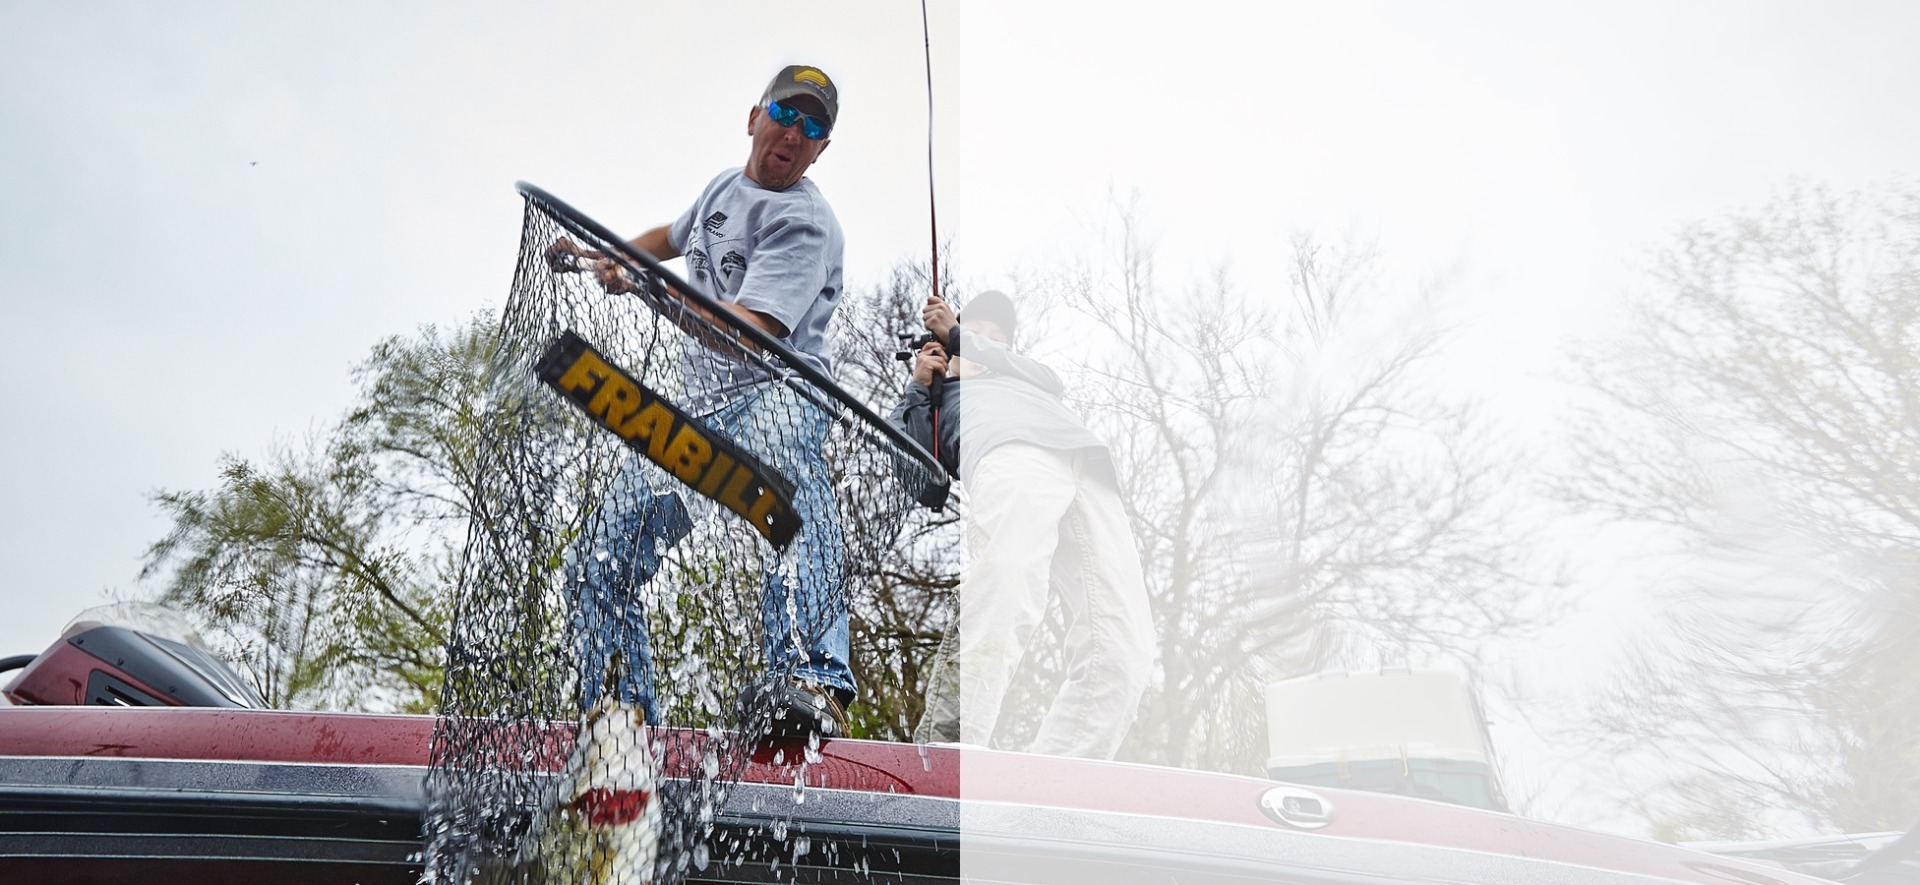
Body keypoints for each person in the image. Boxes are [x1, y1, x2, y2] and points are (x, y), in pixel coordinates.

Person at [554, 64, 852, 738]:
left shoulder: (804, 223)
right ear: (755, 116)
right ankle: (623, 716)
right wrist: (608, 252)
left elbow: (749, 333)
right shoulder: (724, 186)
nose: (794, 133)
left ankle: (813, 676)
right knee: (601, 558)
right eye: (786, 113)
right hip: (699, 414)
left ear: (821, 150)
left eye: (814, 128)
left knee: (785, 482)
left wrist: (649, 288)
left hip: (781, 390)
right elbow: (674, 233)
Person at [889, 291, 1155, 759]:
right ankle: (948, 751)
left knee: (1124, 640)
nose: (984, 348)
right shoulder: (940, 397)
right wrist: (918, 388)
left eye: (994, 342)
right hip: (1009, 454)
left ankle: (1063, 778)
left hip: (1090, 470)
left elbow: (1051, 377)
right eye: (973, 339)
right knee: (1007, 585)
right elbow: (921, 483)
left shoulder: (1030, 377)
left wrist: (959, 334)